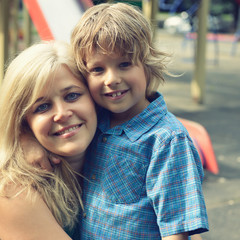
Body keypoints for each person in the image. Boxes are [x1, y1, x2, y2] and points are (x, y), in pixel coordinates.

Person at [22, 3, 209, 239]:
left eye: (124, 64)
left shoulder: (167, 141)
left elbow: (176, 229)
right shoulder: (96, 119)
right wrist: (27, 139)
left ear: (147, 65)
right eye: (98, 69)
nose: (112, 79)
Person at [0, 40, 97, 240]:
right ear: (23, 123)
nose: (62, 114)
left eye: (72, 96)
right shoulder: (13, 192)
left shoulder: (119, 151)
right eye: (42, 107)